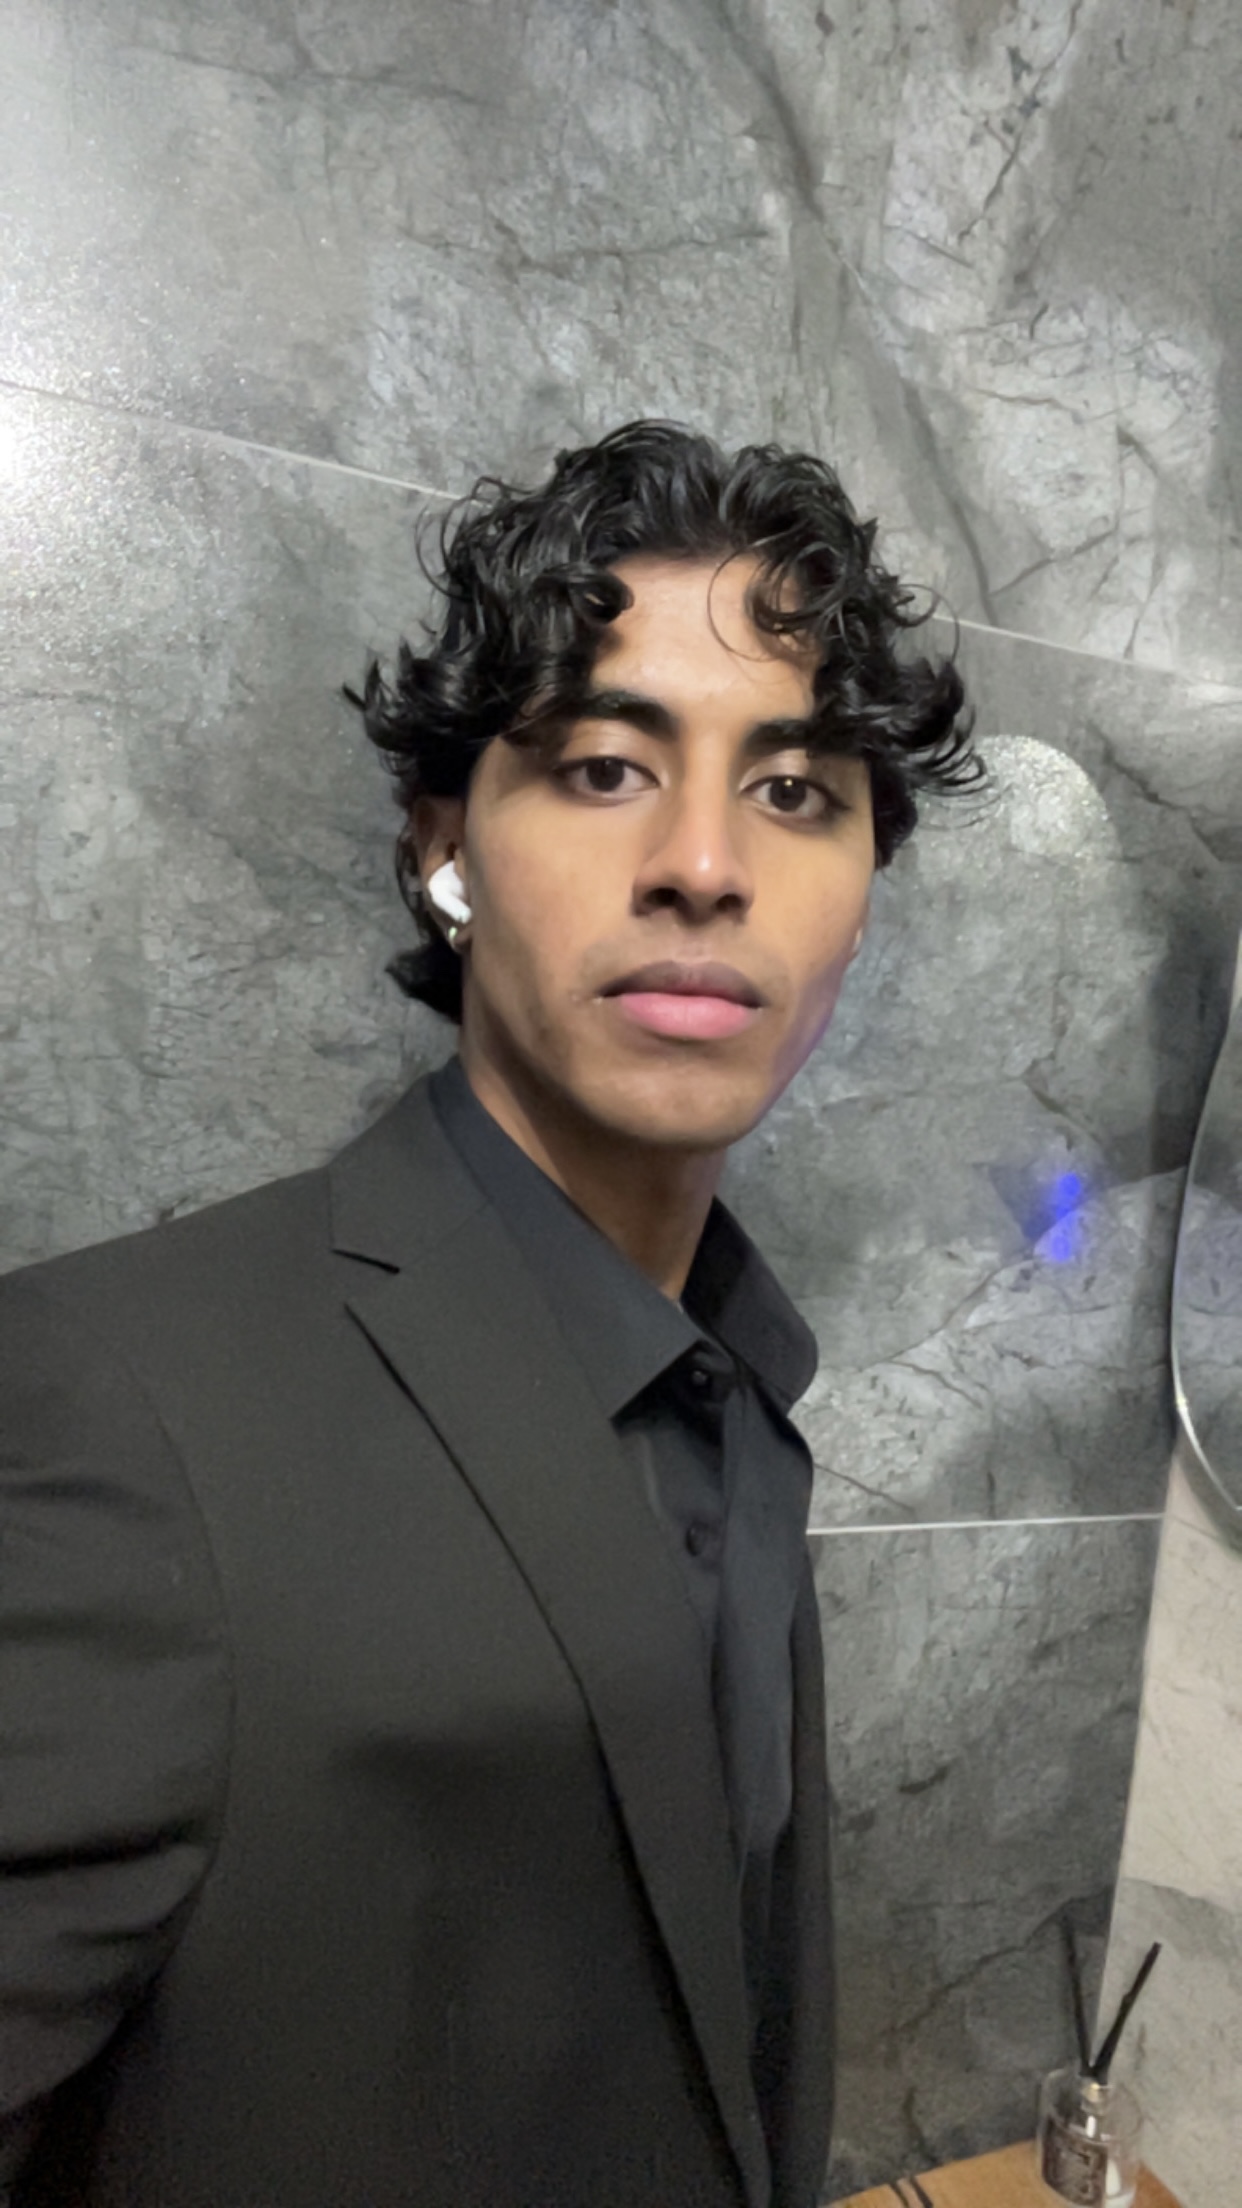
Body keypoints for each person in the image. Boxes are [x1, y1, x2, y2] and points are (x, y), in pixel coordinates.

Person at [0, 422, 975, 2208]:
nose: (703, 863)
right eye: (604, 767)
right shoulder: (113, 1411)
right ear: (443, 850)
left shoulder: (739, 1389)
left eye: (792, 790)